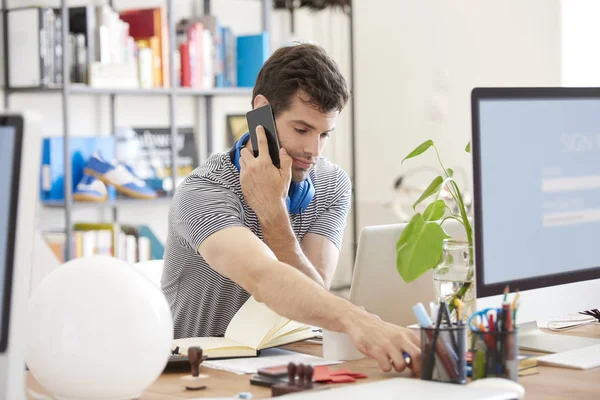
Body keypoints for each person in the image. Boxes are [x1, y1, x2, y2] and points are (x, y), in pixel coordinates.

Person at [162, 42, 421, 374]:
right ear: (262, 113)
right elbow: (263, 277)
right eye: (301, 130)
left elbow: (315, 293)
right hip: (199, 370)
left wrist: (275, 216)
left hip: (286, 362)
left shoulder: (331, 184)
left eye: (325, 134)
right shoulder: (203, 193)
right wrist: (271, 209)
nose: (313, 150)